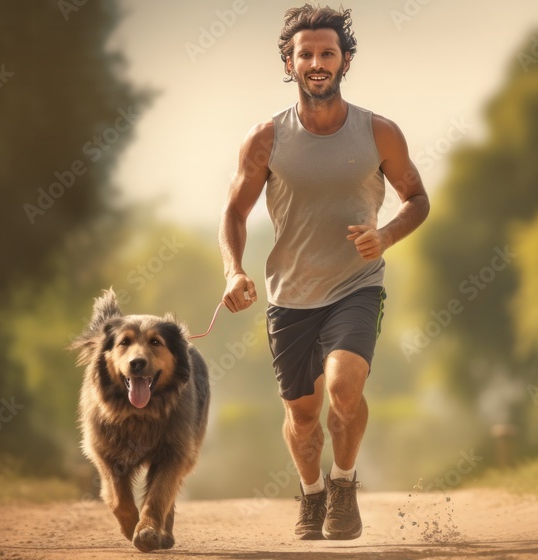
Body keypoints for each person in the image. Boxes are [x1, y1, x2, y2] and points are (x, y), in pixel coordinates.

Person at [218, 3, 429, 541]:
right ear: (289, 63)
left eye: (327, 53)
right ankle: (311, 494)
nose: (316, 62)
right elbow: (234, 213)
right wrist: (233, 271)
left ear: (346, 61)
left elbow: (417, 199)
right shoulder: (265, 138)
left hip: (357, 286)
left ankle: (342, 485)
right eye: (305, 53)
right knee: (304, 415)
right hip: (290, 295)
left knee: (344, 385)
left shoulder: (379, 133)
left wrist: (384, 236)